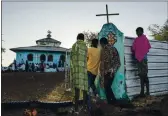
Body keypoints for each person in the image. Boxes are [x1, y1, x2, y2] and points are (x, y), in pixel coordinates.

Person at [70, 33, 88, 114]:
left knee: (77, 89)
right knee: (84, 89)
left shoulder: (74, 46)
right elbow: (86, 58)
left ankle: (76, 108)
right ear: (83, 39)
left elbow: (71, 58)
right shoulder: (86, 47)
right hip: (83, 70)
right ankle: (84, 107)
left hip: (76, 71)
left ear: (77, 38)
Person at [99, 37, 121, 104]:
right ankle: (111, 102)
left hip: (108, 72)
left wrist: (104, 72)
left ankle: (113, 101)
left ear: (102, 43)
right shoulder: (113, 48)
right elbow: (118, 62)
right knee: (107, 87)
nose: (101, 45)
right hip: (110, 71)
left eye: (100, 44)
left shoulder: (104, 50)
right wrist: (113, 70)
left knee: (107, 86)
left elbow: (103, 62)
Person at [132, 27, 151, 97]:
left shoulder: (143, 39)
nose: (137, 33)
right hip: (140, 60)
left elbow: (134, 48)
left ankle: (146, 91)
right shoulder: (138, 40)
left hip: (143, 60)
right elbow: (134, 48)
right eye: (136, 32)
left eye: (138, 31)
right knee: (141, 75)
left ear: (142, 32)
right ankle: (143, 91)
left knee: (144, 75)